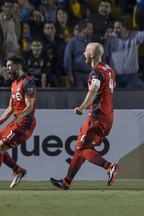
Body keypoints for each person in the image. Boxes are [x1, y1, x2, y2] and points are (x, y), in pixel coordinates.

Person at [50, 42, 120, 190]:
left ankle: (109, 166)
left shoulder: (96, 72)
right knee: (80, 148)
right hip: (108, 115)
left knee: (81, 149)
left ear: (92, 55)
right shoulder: (109, 69)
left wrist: (82, 107)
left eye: (86, 52)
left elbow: (93, 90)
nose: (83, 54)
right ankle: (67, 181)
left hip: (97, 116)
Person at [0, 53, 36, 189]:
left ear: (18, 66)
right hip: (16, 121)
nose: (7, 69)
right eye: (6, 66)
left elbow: (30, 106)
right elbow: (10, 107)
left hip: (24, 124)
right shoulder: (14, 84)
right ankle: (17, 170)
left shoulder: (27, 82)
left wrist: (19, 116)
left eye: (10, 66)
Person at [103, 18, 144, 88]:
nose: (115, 30)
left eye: (118, 28)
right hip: (115, 75)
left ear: (125, 28)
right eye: (114, 28)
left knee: (136, 95)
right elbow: (105, 56)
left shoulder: (135, 36)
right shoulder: (111, 38)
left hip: (131, 75)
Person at [63, 19, 94, 88]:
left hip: (90, 74)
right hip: (77, 75)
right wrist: (69, 75)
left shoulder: (92, 42)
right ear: (83, 29)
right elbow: (67, 60)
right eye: (90, 29)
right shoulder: (72, 42)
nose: (92, 31)